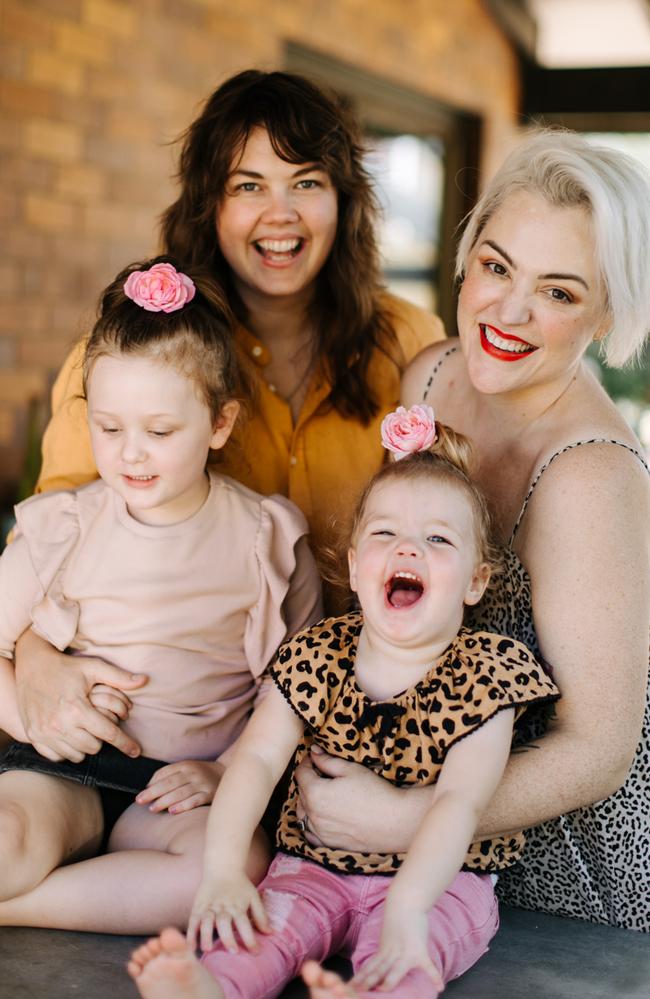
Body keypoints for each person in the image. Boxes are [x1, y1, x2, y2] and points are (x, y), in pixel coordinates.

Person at [13, 68, 443, 773]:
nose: (281, 215)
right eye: (248, 186)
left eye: (306, 182)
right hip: (160, 737)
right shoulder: (141, 357)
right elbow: (52, 541)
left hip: (363, 723)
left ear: (345, 201)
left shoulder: (412, 345)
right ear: (208, 203)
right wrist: (30, 658)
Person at [291, 130, 650, 932]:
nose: (509, 312)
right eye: (496, 267)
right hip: (408, 797)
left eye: (559, 293)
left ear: (606, 314)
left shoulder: (593, 475)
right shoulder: (433, 375)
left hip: (554, 870)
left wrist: (403, 820)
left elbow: (600, 749)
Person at [126, 406, 560, 999]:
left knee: (410, 950)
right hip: (311, 868)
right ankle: (211, 987)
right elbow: (254, 761)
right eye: (385, 533)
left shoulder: (487, 675)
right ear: (356, 569)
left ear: (476, 581)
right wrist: (224, 870)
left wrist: (408, 905)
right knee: (264, 926)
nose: (407, 548)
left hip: (438, 883)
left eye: (437, 539)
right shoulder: (319, 654)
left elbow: (461, 801)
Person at [0, 258, 322, 934]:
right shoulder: (63, 525)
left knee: (228, 868)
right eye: (109, 428)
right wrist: (32, 720)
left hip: (182, 790)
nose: (131, 455)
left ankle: (22, 910)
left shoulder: (267, 538)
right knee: (6, 839)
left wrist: (226, 771)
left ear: (219, 424)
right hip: (64, 773)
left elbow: (294, 689)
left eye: (160, 430)